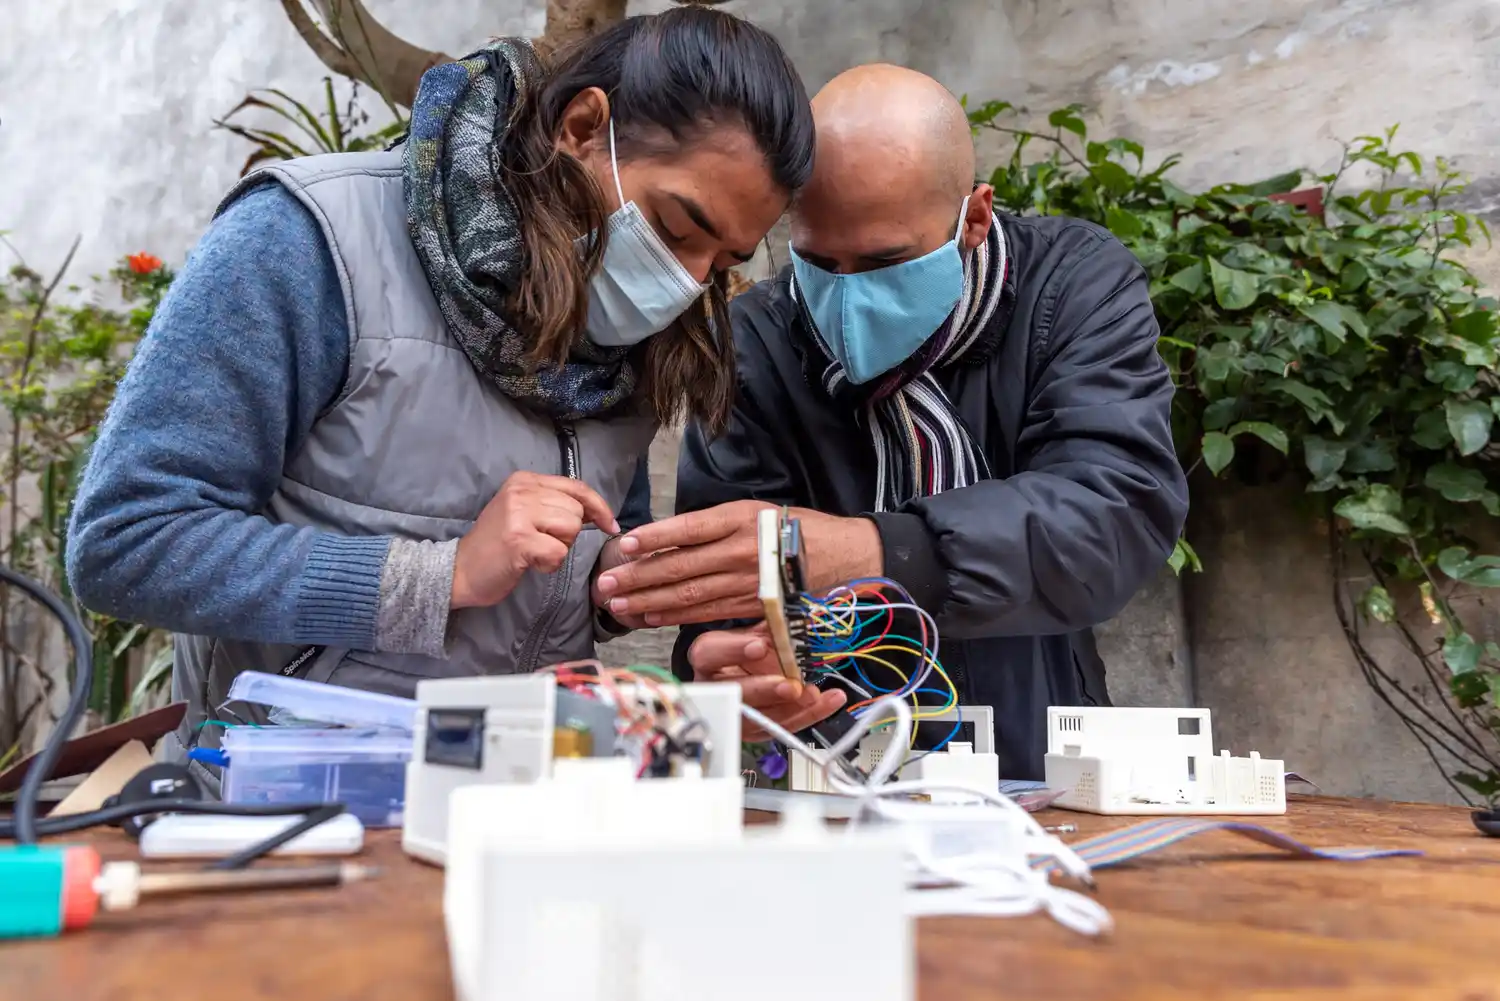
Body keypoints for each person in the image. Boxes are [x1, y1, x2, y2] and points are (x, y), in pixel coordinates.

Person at [64, 8, 815, 784]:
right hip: (286, 818)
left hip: (516, 814)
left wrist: (624, 587)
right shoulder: (309, 240)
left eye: (720, 259)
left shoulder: (632, 330)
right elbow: (128, 540)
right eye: (675, 226)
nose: (687, 282)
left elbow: (575, 551)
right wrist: (441, 574)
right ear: (584, 126)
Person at [592, 64, 1190, 779]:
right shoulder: (755, 339)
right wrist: (726, 666)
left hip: (1044, 751)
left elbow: (1114, 511)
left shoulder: (1072, 286)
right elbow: (729, 590)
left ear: (973, 217)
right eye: (816, 260)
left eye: (886, 262)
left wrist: (872, 551)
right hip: (832, 762)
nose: (848, 298)